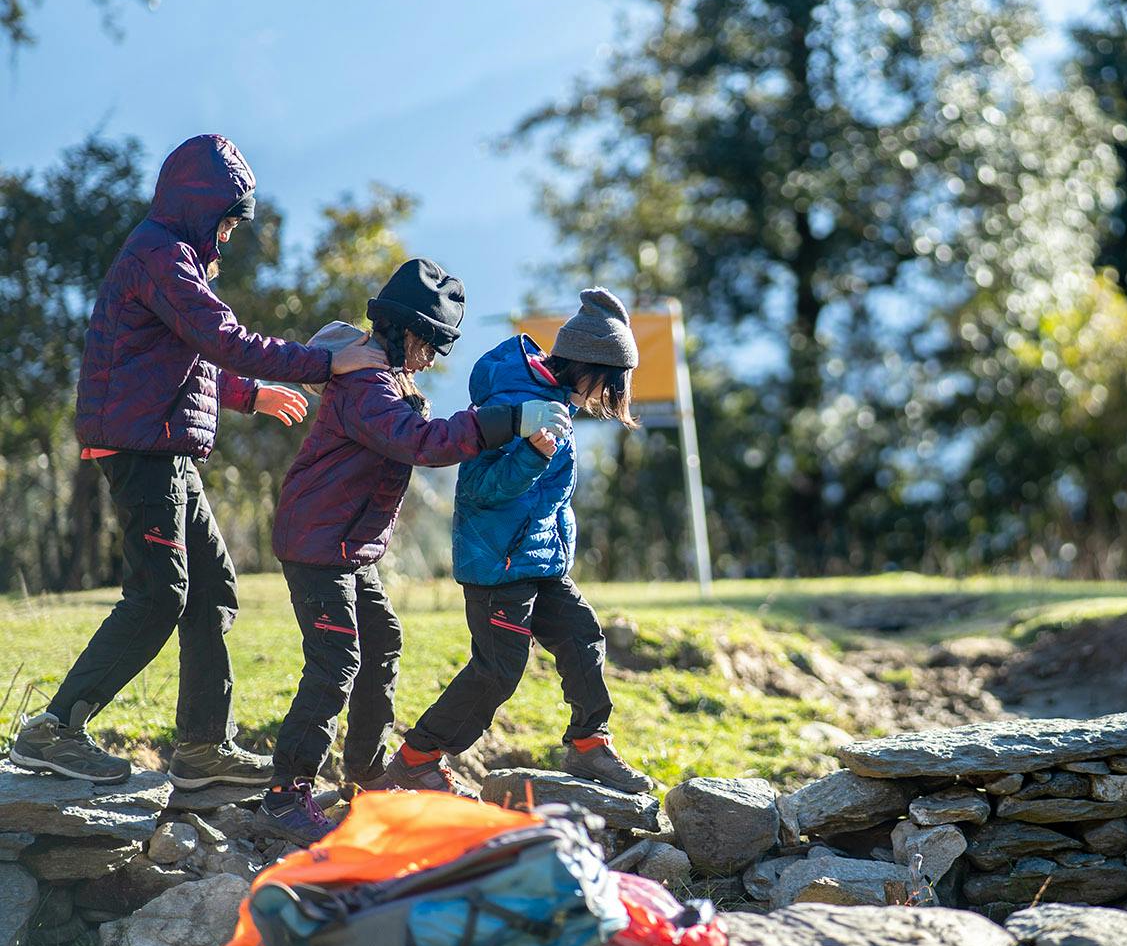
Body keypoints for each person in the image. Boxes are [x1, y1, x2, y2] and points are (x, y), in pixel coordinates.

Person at [10, 134, 387, 788]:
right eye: (228, 222)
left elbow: (188, 357)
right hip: (143, 449)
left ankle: (202, 750)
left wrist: (250, 394)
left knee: (212, 589)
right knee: (162, 592)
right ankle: (55, 729)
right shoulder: (162, 256)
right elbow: (222, 338)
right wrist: (326, 361)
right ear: (201, 206)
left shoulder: (171, 254)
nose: (230, 236)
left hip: (167, 447)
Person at [259, 259, 572, 844]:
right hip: (318, 545)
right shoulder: (365, 384)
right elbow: (419, 444)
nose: (432, 360)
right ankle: (284, 794)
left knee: (383, 641)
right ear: (408, 332)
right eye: (430, 346)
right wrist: (504, 420)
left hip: (350, 547)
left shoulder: (390, 382)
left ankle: (368, 776)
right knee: (336, 661)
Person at [378, 288, 653, 798]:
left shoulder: (556, 402)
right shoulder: (512, 405)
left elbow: (549, 500)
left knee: (582, 636)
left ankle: (590, 744)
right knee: (497, 672)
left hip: (541, 562)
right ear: (587, 366)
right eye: (609, 386)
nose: (606, 399)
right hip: (499, 568)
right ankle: (416, 758)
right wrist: (529, 455)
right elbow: (480, 491)